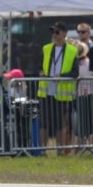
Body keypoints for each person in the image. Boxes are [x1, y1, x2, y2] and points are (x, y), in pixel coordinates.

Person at [37, 22, 78, 152]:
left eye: (57, 32)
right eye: (53, 32)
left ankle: (61, 149)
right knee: (43, 121)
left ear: (65, 33)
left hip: (62, 92)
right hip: (46, 90)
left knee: (61, 122)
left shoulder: (72, 50)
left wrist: (60, 75)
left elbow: (75, 73)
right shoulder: (46, 48)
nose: (54, 35)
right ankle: (42, 149)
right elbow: (40, 66)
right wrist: (41, 73)